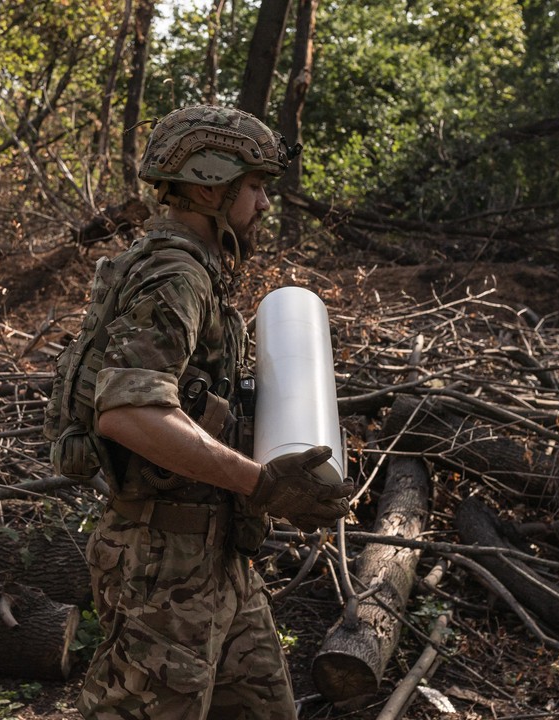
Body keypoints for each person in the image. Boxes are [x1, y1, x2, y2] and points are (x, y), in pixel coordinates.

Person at [56, 105, 355, 719]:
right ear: (206, 186)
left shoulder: (196, 272)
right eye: (255, 187)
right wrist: (263, 484)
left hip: (215, 558)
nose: (265, 205)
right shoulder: (177, 276)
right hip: (162, 568)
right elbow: (127, 414)